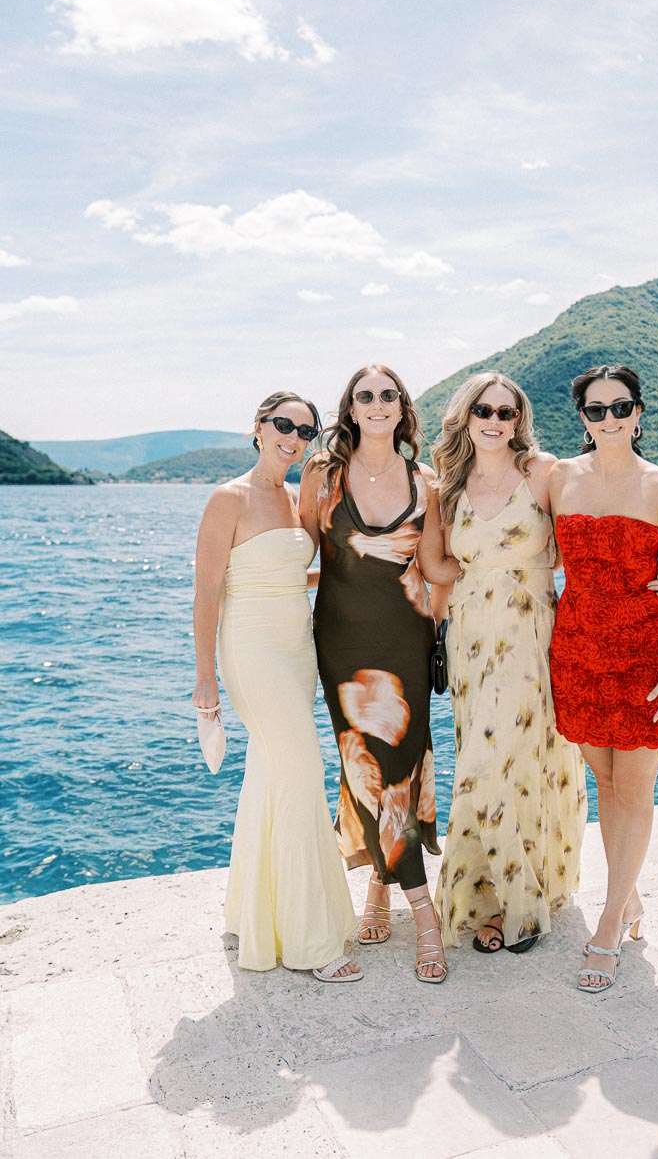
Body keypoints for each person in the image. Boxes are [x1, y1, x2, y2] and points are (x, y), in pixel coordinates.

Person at [192, 391, 361, 983]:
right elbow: (208, 593)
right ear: (258, 427)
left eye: (305, 430)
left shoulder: (294, 499)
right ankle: (311, 943)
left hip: (297, 651)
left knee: (270, 775)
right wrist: (205, 680)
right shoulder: (228, 497)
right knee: (301, 772)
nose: (293, 437)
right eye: (282, 424)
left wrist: (378, 566)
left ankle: (253, 915)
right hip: (252, 650)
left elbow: (298, 571)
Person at [424, 372, 588, 955]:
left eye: (506, 412)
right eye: (483, 411)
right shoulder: (447, 484)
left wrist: (654, 580)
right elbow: (437, 565)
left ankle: (523, 903)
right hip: (470, 633)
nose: (494, 421)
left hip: (531, 631)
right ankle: (492, 897)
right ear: (465, 418)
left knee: (504, 763)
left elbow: (582, 550)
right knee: (491, 757)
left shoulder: (545, 473)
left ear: (519, 420)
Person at [299, 365, 448, 984]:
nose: (378, 404)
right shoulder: (321, 476)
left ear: (402, 409)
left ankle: (388, 894)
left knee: (397, 770)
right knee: (364, 768)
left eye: (389, 395)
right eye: (366, 396)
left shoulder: (428, 483)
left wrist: (517, 561)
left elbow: (438, 567)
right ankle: (420, 908)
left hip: (406, 645)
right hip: (341, 646)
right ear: (351, 410)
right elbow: (301, 555)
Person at [549, 364, 658, 994]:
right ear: (582, 418)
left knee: (634, 787)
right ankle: (626, 895)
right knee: (602, 779)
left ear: (639, 414)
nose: (609, 418)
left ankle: (609, 922)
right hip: (577, 645)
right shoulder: (558, 478)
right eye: (596, 409)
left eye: (621, 407)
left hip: (644, 651)